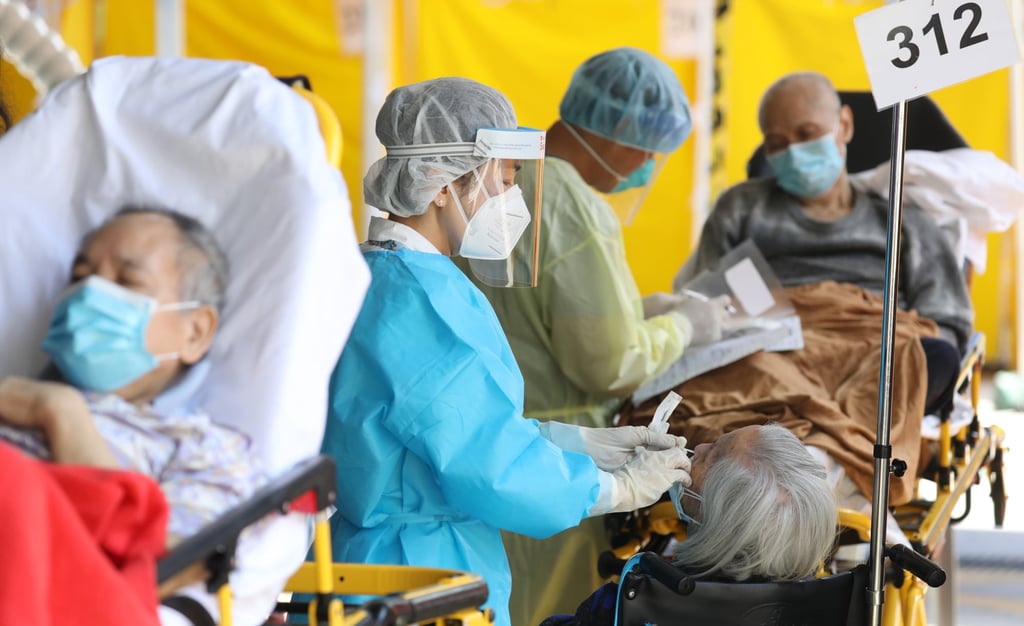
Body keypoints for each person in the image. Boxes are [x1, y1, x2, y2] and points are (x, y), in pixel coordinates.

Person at [321, 76, 694, 626]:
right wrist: (617, 487)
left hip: (367, 561)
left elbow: (446, 430)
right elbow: (488, 464)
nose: (512, 201)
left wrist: (581, 443)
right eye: (504, 178)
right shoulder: (422, 303)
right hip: (417, 580)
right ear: (441, 184)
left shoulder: (374, 273)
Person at [462, 47, 730, 624]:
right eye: (652, 153)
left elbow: (528, 308)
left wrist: (638, 310)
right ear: (627, 141)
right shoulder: (575, 205)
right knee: (549, 608)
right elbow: (608, 363)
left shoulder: (502, 175)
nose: (648, 167)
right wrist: (685, 326)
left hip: (476, 442)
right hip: (558, 459)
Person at [676, 71, 972, 410]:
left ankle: (818, 414)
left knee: (933, 359)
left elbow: (947, 322)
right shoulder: (742, 211)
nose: (795, 153)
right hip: (772, 360)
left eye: (807, 134)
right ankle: (825, 416)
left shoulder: (903, 222)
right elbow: (705, 305)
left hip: (872, 367)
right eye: (777, 144)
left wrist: (888, 351)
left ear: (844, 125)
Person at [0, 207, 264, 548]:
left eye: (127, 282)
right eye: (80, 278)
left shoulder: (209, 451)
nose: (89, 294)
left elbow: (161, 564)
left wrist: (61, 413)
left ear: (195, 332)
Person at [541, 423, 838, 626]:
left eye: (715, 455)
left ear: (723, 514)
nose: (700, 446)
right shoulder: (822, 604)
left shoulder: (635, 601)